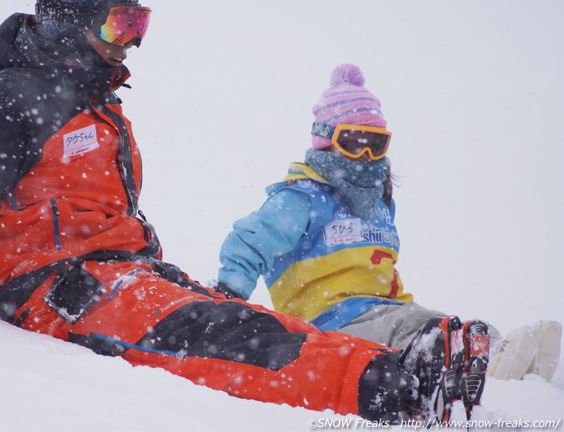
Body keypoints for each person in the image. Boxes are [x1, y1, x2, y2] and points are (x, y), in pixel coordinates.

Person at [0, 0, 485, 424]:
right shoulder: (10, 99)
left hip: (127, 270)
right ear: (69, 23)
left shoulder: (98, 104)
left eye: (138, 26)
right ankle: (391, 385)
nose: (132, 44)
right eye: (120, 26)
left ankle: (411, 362)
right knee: (218, 336)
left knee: (249, 318)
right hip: (63, 289)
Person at [212, 63, 561, 382]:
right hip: (330, 322)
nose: (365, 155)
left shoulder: (378, 204)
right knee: (417, 334)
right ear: (326, 140)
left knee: (441, 323)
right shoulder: (303, 198)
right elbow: (250, 240)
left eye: (375, 144)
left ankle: (513, 359)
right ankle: (485, 368)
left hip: (388, 310)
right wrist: (229, 294)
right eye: (353, 142)